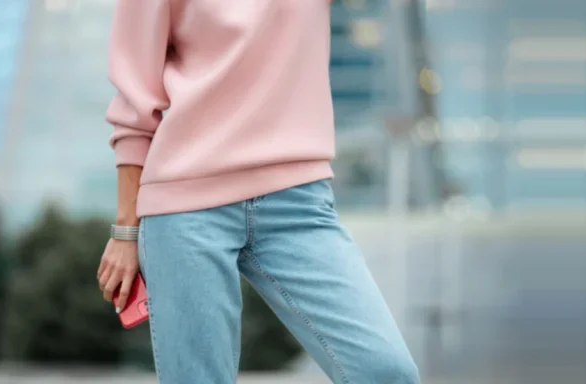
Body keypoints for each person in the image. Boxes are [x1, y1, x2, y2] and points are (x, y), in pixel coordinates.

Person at [96, 0, 420, 383]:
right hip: (186, 210)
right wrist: (125, 230)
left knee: (386, 372)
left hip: (298, 205)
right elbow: (136, 103)